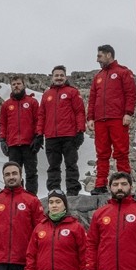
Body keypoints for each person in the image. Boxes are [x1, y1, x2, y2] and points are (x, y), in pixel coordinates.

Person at [86, 45, 136, 194]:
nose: (97, 59)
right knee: (102, 153)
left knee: (121, 152)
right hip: (100, 120)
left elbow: (131, 93)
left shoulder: (123, 72)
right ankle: (100, 184)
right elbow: (93, 98)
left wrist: (128, 113)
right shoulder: (98, 77)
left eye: (99, 56)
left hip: (117, 119)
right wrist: (90, 118)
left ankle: (125, 184)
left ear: (109, 55)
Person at [37, 65, 86, 197]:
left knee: (71, 164)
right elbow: (41, 115)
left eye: (61, 75)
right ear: (52, 77)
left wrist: (80, 131)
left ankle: (72, 190)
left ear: (65, 77)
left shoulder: (72, 92)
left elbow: (79, 112)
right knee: (53, 166)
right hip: (51, 136)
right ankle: (54, 190)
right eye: (56, 75)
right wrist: (39, 134)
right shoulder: (47, 95)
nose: (59, 78)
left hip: (69, 135)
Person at [0, 75, 43, 195]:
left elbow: (38, 120)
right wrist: (2, 140)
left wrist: (38, 137)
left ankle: (32, 196)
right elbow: (2, 123)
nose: (16, 86)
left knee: (31, 172)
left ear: (23, 85)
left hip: (29, 143)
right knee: (14, 172)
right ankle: (16, 196)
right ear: (11, 87)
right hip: (12, 145)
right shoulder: (6, 105)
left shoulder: (32, 102)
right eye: (14, 84)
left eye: (18, 83)